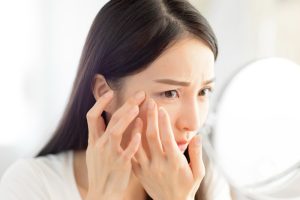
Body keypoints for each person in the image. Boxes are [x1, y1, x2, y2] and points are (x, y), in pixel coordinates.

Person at [0, 0, 231, 199]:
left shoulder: (206, 182)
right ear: (104, 92)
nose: (193, 122)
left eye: (204, 92)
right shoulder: (33, 184)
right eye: (170, 93)